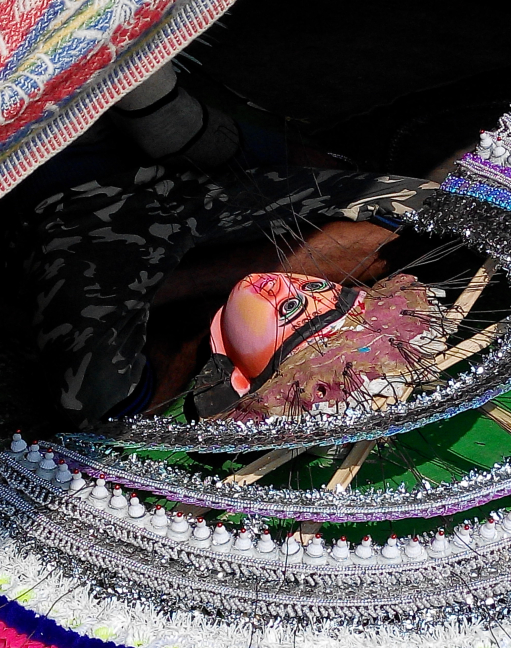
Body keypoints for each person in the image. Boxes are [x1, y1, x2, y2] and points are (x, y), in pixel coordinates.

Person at [4, 63, 438, 427]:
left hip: (80, 204)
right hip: (163, 188)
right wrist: (188, 283)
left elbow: (100, 398)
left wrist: (176, 288)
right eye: (316, 292)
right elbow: (415, 210)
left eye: (291, 311)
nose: (284, 289)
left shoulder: (117, 388)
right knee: (427, 209)